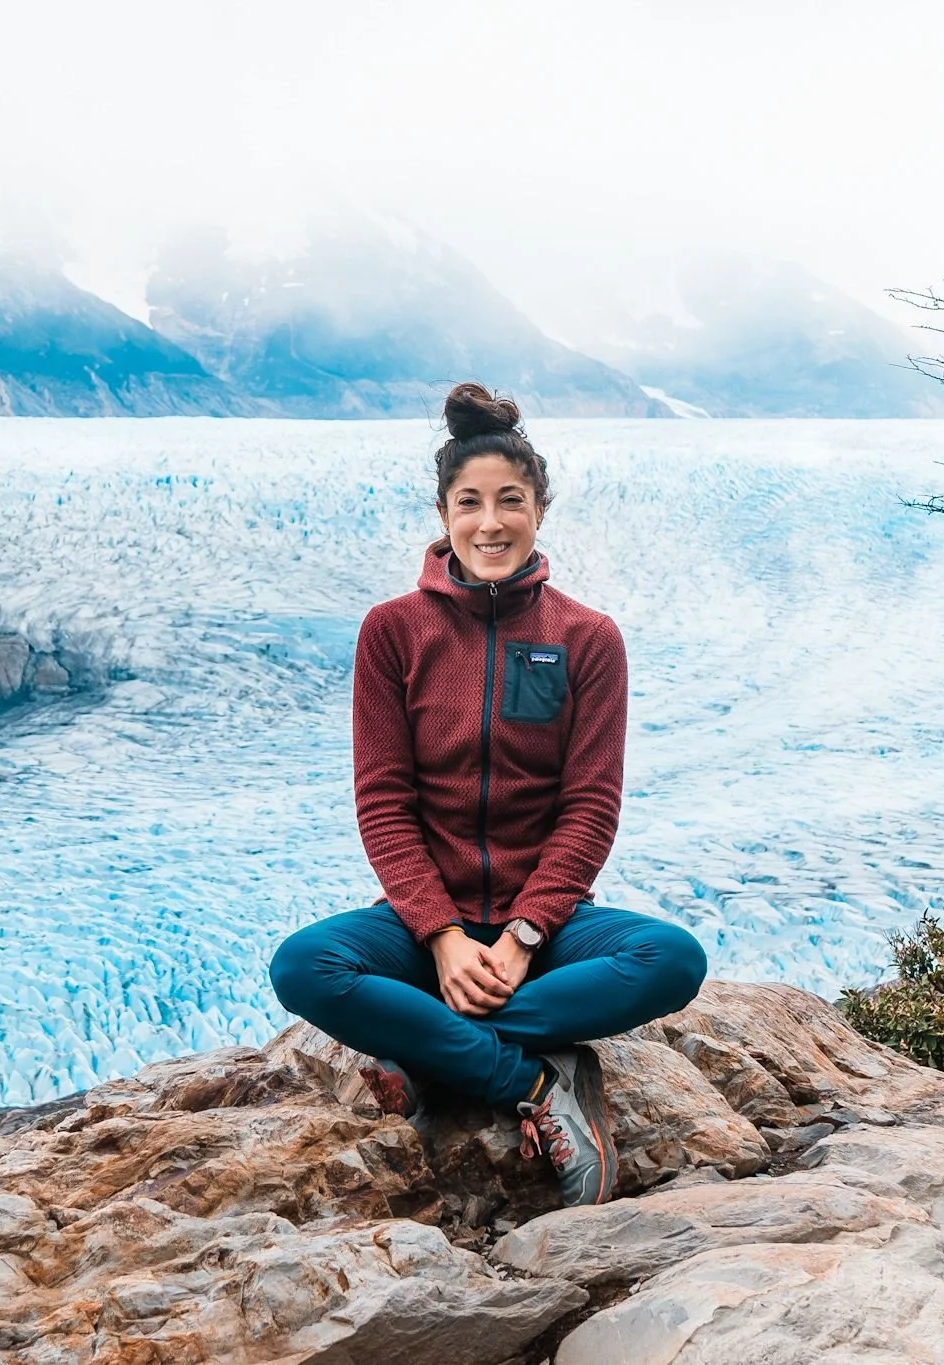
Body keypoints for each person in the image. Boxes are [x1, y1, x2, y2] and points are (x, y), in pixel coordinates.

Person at [270, 381, 709, 1208]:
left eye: (511, 500)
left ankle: (429, 1048)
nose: (490, 521)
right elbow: (384, 800)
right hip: (422, 925)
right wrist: (438, 935)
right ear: (443, 514)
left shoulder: (587, 638)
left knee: (672, 959)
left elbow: (590, 806)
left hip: (544, 926)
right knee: (304, 965)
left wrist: (520, 934)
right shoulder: (392, 630)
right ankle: (540, 1079)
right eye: (469, 502)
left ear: (539, 508)